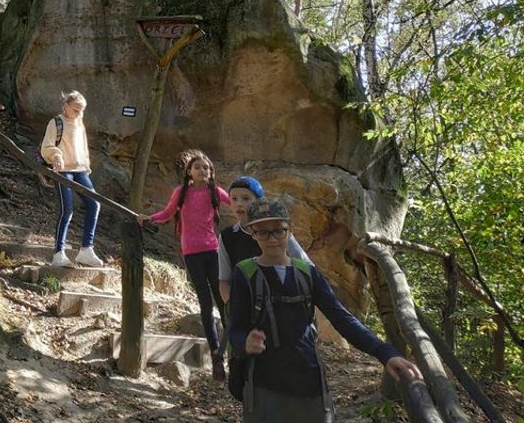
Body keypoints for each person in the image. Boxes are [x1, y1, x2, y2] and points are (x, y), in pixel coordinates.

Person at [228, 198, 423, 422]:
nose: (272, 239)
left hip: (309, 383)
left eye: (278, 231)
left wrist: (384, 353)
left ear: (290, 230)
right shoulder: (244, 274)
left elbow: (341, 318)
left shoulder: (307, 274)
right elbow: (235, 330)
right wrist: (245, 343)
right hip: (264, 387)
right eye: (263, 232)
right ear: (252, 233)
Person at [138, 149, 231, 381]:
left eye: (207, 168)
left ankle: (229, 350)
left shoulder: (214, 192)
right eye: (198, 167)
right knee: (205, 303)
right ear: (189, 171)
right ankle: (216, 356)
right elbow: (168, 213)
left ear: (211, 173)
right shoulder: (181, 193)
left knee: (223, 301)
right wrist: (148, 218)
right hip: (192, 253)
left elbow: (237, 203)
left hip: (212, 251)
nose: (203, 170)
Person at [218, 176, 311, 304]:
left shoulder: (278, 230)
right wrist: (234, 308)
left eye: (246, 198)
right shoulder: (227, 237)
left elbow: (306, 265)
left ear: (259, 201)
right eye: (234, 199)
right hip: (247, 306)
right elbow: (224, 280)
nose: (239, 203)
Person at [40, 91, 103, 269]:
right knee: (67, 210)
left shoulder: (80, 124)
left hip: (80, 170)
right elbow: (47, 146)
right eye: (76, 110)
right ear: (66, 106)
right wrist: (56, 156)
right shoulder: (56, 122)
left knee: (94, 204)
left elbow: (83, 148)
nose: (79, 114)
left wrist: (86, 166)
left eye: (82, 111)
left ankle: (86, 249)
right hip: (63, 170)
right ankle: (59, 253)